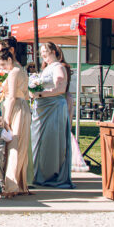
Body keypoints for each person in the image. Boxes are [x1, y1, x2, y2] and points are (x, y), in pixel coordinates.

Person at [30, 42, 74, 188]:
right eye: (41, 52)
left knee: (51, 141)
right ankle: (40, 172)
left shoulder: (58, 67)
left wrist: (40, 93)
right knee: (39, 141)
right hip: (42, 108)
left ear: (54, 52)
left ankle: (51, 174)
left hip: (53, 107)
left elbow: (60, 87)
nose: (43, 55)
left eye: (46, 52)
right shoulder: (47, 68)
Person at [0, 49, 32, 198]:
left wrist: (6, 119)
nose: (2, 68)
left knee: (13, 146)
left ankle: (11, 186)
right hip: (23, 106)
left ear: (10, 60)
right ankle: (20, 183)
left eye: (3, 64)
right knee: (21, 145)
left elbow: (11, 97)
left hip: (15, 108)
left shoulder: (13, 73)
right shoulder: (22, 70)